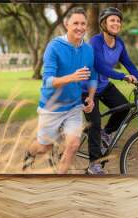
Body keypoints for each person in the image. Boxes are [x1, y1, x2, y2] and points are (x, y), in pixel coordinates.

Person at [23, 7, 97, 174]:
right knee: (44, 147)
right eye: (75, 23)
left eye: (83, 23)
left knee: (73, 145)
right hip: (52, 106)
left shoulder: (88, 50)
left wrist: (91, 97)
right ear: (66, 24)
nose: (80, 27)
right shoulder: (54, 47)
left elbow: (92, 76)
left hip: (74, 107)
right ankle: (29, 153)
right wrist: (72, 77)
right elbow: (48, 81)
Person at [82, 7, 138, 174]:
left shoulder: (119, 43)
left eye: (118, 21)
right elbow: (99, 65)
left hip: (104, 86)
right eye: (112, 20)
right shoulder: (95, 42)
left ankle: (105, 134)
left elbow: (129, 64)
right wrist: (123, 77)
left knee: (124, 108)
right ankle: (94, 164)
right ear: (104, 23)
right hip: (86, 88)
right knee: (95, 123)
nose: (116, 23)